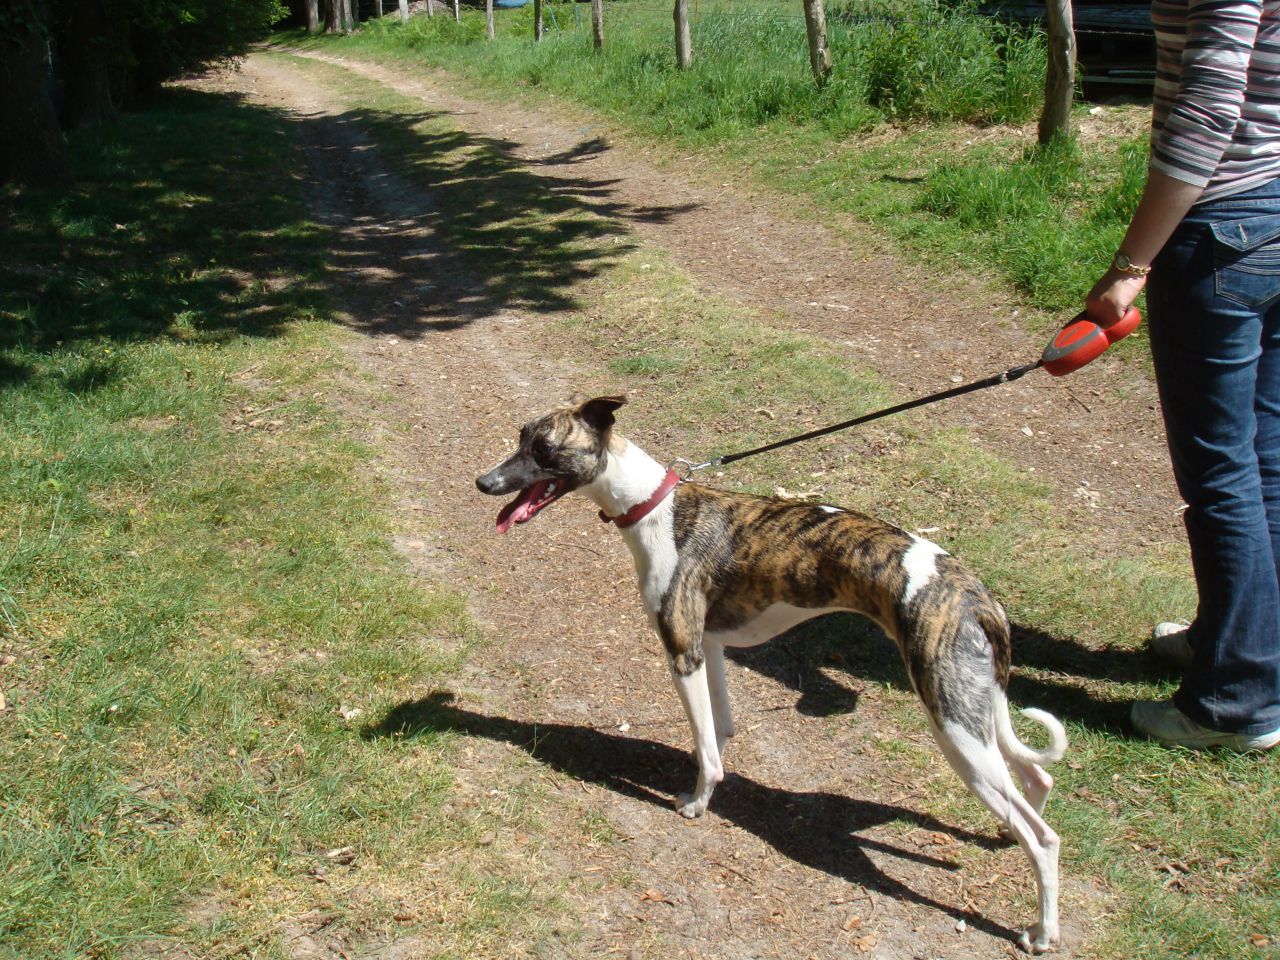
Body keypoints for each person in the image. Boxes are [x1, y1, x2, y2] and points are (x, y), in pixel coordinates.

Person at [1086, 0, 1280, 749]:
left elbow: (1208, 106)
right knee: (1264, 459)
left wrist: (1131, 264)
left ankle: (1235, 702)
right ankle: (1239, 642)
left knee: (1222, 470)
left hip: (1227, 220)